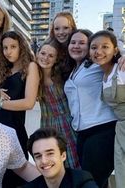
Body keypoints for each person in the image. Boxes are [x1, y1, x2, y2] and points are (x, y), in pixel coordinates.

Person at [64, 29, 118, 188]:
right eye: (73, 43)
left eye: (82, 43)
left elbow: (113, 55)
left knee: (91, 181)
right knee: (95, 182)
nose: (76, 46)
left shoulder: (99, 65)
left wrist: (122, 55)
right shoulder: (74, 69)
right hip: (82, 132)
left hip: (102, 129)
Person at [0, 31, 40, 187]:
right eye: (5, 47)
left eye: (13, 47)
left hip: (14, 131)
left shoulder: (31, 67)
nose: (8, 51)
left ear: (21, 47)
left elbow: (29, 103)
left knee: (14, 180)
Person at [89, 30, 125, 188]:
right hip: (121, 130)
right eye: (94, 47)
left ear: (115, 50)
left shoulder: (122, 69)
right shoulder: (102, 74)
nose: (99, 51)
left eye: (105, 47)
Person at [36, 38, 80, 169]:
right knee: (52, 163)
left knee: (73, 160)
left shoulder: (61, 76)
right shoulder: (34, 75)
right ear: (37, 53)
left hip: (67, 122)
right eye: (43, 53)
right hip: (47, 123)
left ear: (56, 59)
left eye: (51, 56)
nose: (46, 58)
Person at [23, 127, 98, 188]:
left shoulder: (82, 182)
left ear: (63, 156)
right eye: (38, 156)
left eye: (50, 153)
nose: (44, 161)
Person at [49, 12, 77, 81]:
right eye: (57, 29)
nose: (61, 32)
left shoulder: (79, 49)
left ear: (73, 28)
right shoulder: (48, 48)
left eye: (66, 28)